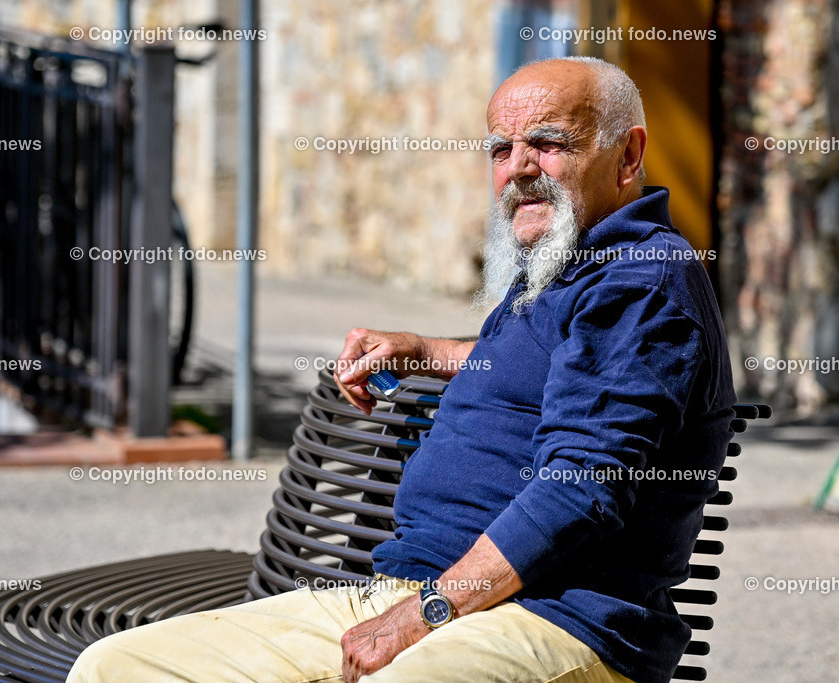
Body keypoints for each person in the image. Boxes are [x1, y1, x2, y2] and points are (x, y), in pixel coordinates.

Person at [68, 55, 735, 683]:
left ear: (628, 155)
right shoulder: (567, 262)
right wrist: (425, 350)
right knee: (115, 666)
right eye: (500, 150)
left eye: (548, 143)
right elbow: (542, 368)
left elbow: (579, 486)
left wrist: (425, 612)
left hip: (552, 618)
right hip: (409, 590)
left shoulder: (643, 283)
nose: (519, 168)